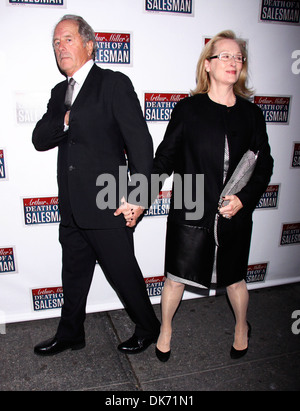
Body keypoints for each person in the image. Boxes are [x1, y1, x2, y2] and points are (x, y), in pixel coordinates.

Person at [128, 30, 273, 361]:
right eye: (225, 56)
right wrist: (139, 196)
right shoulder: (188, 109)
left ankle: (240, 327)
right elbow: (164, 159)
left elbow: (265, 166)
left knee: (235, 280)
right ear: (207, 65)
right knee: (175, 279)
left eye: (238, 57)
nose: (233, 62)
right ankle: (165, 328)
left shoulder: (252, 115)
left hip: (234, 213)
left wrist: (244, 199)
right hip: (190, 205)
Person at [32, 15, 160, 356]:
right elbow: (40, 137)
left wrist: (139, 197)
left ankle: (149, 327)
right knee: (73, 275)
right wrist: (66, 117)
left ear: (89, 44)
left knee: (122, 273)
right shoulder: (60, 92)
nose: (61, 47)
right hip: (72, 205)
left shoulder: (113, 84)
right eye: (56, 43)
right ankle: (71, 332)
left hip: (109, 200)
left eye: (68, 39)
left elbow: (141, 146)